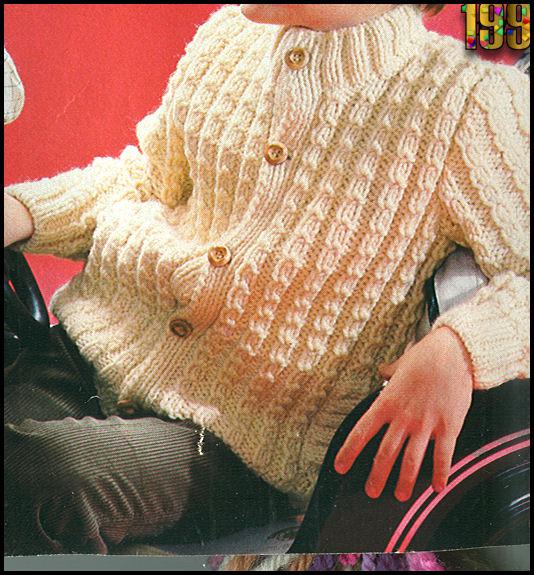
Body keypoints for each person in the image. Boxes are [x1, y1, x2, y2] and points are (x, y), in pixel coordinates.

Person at [4, 3, 530, 556]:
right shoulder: (228, 37)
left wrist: (461, 348)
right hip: (88, 353)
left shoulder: (468, 105)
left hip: (237, 446)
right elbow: (149, 181)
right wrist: (22, 210)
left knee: (39, 478)